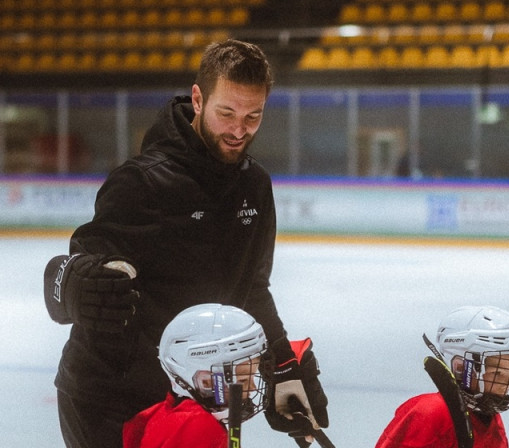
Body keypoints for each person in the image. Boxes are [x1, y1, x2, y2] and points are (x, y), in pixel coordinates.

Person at [42, 39, 328, 448]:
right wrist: (75, 282)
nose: (238, 129)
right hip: (111, 400)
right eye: (226, 113)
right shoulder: (142, 182)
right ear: (198, 99)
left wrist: (282, 366)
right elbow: (86, 262)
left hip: (196, 395)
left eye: (253, 116)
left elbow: (252, 289)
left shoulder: (255, 186)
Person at [375, 305, 509, 448]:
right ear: (460, 367)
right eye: (497, 373)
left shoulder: (492, 421)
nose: (506, 384)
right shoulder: (430, 413)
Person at [123, 303, 268, 448]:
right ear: (206, 382)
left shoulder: (163, 414)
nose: (253, 388)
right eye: (243, 380)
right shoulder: (199, 427)